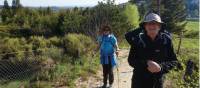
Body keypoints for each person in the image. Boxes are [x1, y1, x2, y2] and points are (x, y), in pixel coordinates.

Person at [125, 13, 178, 88]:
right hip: (139, 81)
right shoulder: (138, 40)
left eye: (155, 24)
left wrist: (161, 67)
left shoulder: (166, 40)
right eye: (149, 24)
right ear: (145, 27)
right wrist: (146, 63)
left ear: (159, 26)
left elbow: (174, 61)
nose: (152, 26)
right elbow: (131, 60)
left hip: (157, 82)